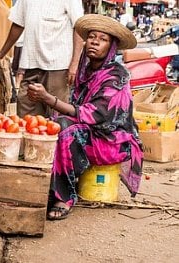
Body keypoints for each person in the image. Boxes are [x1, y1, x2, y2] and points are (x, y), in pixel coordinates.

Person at [27, 14, 143, 220]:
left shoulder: (117, 76)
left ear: (112, 47)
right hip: (93, 132)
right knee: (52, 125)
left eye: (103, 39)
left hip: (113, 140)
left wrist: (49, 99)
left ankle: (65, 197)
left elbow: (95, 114)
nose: (95, 42)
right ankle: (47, 185)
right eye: (91, 37)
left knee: (67, 133)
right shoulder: (85, 70)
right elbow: (75, 108)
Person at [0, 0, 84, 118]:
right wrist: (1, 53)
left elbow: (78, 28)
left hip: (58, 67)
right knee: (25, 114)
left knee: (55, 117)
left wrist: (75, 63)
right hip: (30, 65)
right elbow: (18, 23)